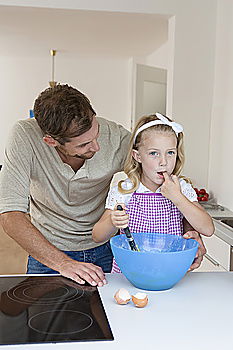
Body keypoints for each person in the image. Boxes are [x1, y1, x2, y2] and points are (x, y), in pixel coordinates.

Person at [0, 84, 131, 286]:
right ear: (51, 141)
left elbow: (163, 178)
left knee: (108, 317)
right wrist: (64, 263)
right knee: (42, 317)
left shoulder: (118, 137)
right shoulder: (24, 136)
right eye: (83, 145)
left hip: (105, 249)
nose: (96, 146)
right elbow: (10, 215)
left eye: (96, 135)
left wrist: (188, 230)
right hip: (48, 251)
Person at [92, 113, 214, 272]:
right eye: (153, 153)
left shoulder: (181, 188)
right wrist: (112, 221)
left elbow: (208, 228)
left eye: (170, 152)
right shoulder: (125, 190)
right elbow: (97, 236)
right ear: (137, 156)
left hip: (168, 271)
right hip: (130, 273)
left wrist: (177, 197)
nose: (163, 161)